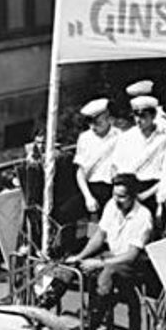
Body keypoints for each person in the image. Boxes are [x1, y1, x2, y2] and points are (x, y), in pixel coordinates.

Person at [66, 173, 153, 330]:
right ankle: (43, 311)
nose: (117, 200)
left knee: (107, 273)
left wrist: (99, 263)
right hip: (111, 256)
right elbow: (99, 236)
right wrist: (80, 256)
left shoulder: (143, 216)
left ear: (133, 196)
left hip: (134, 264)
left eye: (122, 196)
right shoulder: (112, 205)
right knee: (69, 267)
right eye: (114, 195)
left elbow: (131, 255)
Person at [55, 98, 120, 247]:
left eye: (97, 123)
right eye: (90, 123)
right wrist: (88, 197)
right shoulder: (85, 138)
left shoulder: (119, 136)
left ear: (107, 118)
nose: (93, 127)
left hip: (113, 187)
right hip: (91, 187)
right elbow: (80, 171)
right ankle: (70, 250)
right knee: (65, 212)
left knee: (108, 223)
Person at [111, 95, 166, 215]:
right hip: (129, 187)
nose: (138, 120)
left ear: (153, 115)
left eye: (143, 116)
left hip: (154, 187)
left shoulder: (164, 138)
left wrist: (146, 195)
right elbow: (115, 166)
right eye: (136, 115)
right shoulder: (126, 138)